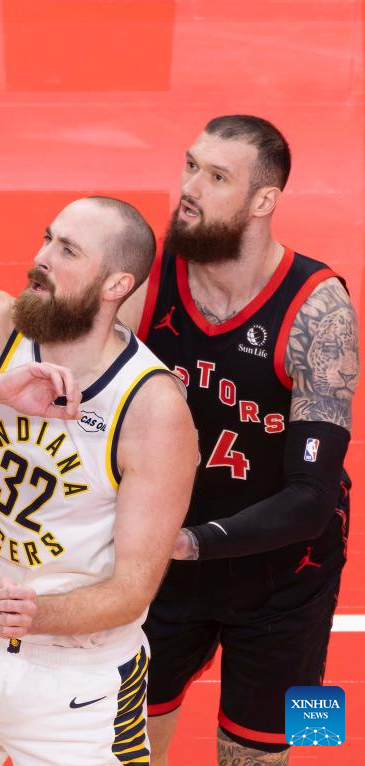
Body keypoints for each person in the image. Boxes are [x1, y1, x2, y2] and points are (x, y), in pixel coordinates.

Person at [0, 196, 199, 766]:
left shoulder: (153, 407)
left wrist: (37, 616)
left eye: (67, 250)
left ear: (116, 284)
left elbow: (133, 589)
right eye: (48, 237)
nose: (41, 257)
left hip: (78, 683)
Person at [116, 115, 358, 765]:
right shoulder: (145, 277)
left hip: (291, 575)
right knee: (122, 746)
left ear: (263, 201)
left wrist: (191, 542)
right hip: (162, 564)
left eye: (217, 177)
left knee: (274, 750)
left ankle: (305, 733)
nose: (190, 187)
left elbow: (312, 498)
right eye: (191, 165)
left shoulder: (320, 308)